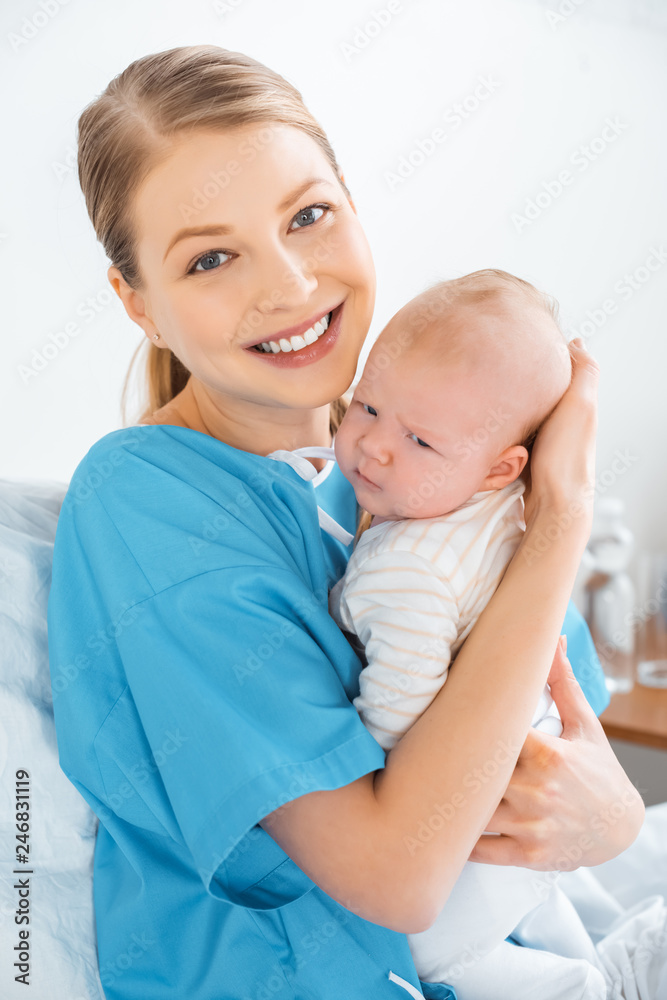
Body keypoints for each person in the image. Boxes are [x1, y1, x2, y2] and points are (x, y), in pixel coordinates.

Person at [46, 45, 644, 1000]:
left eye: (308, 215)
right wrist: (559, 517)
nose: (287, 284)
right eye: (210, 257)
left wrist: (612, 821)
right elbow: (395, 876)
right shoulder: (147, 501)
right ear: (138, 305)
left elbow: (552, 747)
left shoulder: (394, 475)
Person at [330, 269, 610, 998]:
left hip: (467, 842)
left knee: (462, 963)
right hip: (532, 811)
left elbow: (394, 717)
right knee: (566, 921)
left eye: (420, 440)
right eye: (366, 405)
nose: (374, 449)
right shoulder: (501, 511)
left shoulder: (404, 570)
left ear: (501, 467)